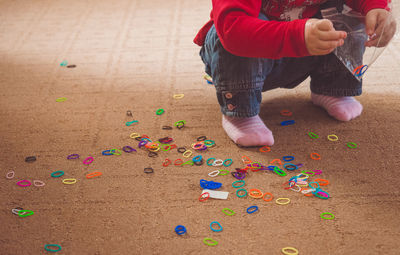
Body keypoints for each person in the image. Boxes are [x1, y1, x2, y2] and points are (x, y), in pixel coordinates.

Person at [194, 0, 396, 147]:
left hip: (309, 45)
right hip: (245, 56)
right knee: (228, 39)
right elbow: (233, 29)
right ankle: (241, 111)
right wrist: (297, 35)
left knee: (348, 14)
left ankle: (332, 87)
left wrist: (376, 7)